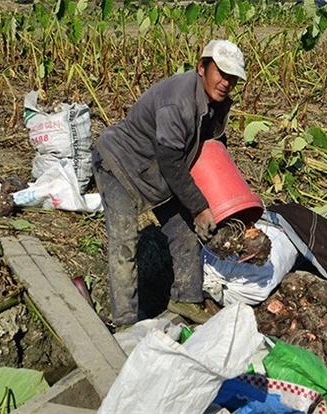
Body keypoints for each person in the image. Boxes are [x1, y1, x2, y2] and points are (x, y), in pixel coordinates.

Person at [92, 40, 246, 326]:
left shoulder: (215, 103)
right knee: (124, 242)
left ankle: (185, 299)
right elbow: (171, 160)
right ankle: (125, 320)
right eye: (221, 73)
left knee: (185, 232)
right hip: (120, 165)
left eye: (233, 78)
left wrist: (226, 202)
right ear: (202, 67)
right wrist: (200, 207)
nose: (226, 83)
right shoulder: (179, 101)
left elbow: (210, 150)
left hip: (157, 173)